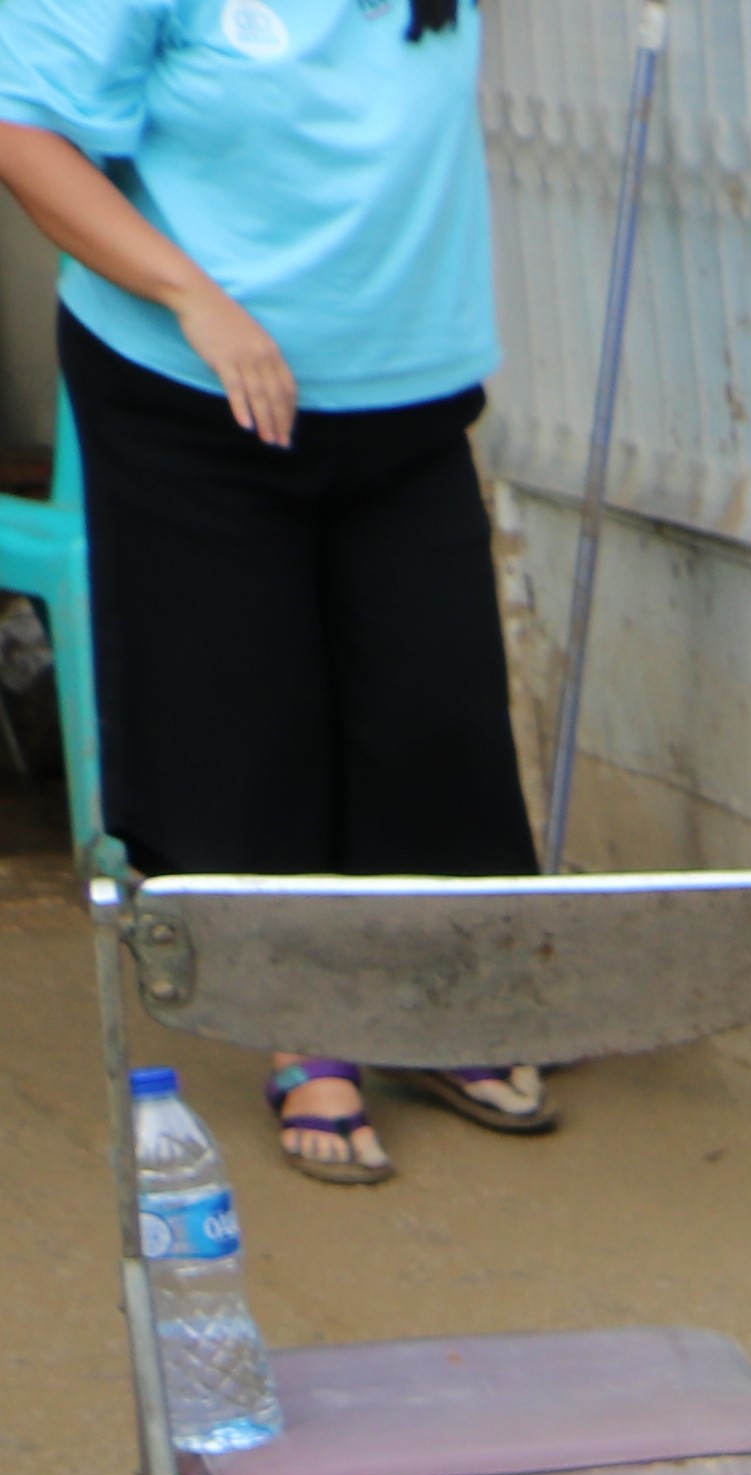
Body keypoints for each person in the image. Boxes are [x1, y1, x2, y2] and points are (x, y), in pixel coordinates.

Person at [0, 0, 555, 1184]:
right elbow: (22, 130)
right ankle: (310, 1028)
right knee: (247, 721)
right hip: (194, 384)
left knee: (435, 712)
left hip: (405, 390)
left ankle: (438, 1006)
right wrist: (195, 298)